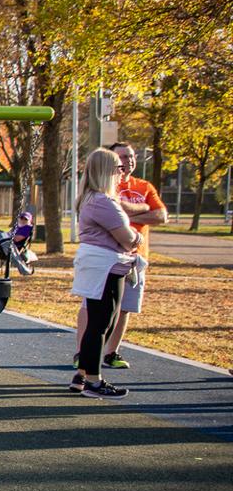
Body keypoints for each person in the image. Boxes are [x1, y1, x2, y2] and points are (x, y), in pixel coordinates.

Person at [69, 148, 143, 399]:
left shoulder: (90, 198)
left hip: (100, 264)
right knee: (101, 324)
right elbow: (127, 238)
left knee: (99, 322)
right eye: (118, 168)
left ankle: (82, 375)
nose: (122, 172)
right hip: (106, 266)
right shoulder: (103, 201)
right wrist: (137, 237)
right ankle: (93, 380)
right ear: (107, 172)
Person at [88, 141, 167, 369]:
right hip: (108, 255)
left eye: (131, 156)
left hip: (135, 256)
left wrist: (131, 213)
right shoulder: (105, 187)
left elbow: (161, 216)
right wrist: (142, 210)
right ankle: (85, 355)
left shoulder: (144, 186)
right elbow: (113, 209)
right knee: (97, 308)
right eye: (122, 157)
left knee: (125, 307)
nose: (128, 161)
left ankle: (111, 352)